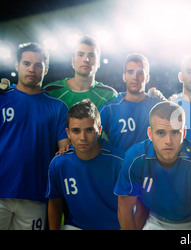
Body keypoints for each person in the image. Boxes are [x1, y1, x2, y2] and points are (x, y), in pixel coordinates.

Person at [114, 101, 191, 230]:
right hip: (155, 221)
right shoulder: (135, 157)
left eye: (174, 132)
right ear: (150, 134)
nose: (168, 141)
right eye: (161, 133)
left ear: (183, 133)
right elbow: (124, 210)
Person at [0, 43, 70, 230]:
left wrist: (65, 152)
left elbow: (65, 149)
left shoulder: (57, 107)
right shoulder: (2, 99)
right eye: (26, 63)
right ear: (17, 66)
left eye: (38, 65)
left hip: (36, 193)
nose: (32, 68)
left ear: (45, 69)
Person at [46, 99, 124, 230]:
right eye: (76, 131)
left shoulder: (120, 162)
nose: (82, 137)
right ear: (68, 133)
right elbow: (55, 201)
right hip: (76, 227)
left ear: (99, 130)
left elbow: (136, 204)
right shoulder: (59, 163)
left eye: (89, 130)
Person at [99, 53, 165, 152]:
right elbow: (88, 136)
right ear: (124, 77)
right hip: (121, 167)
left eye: (140, 72)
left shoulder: (157, 107)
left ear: (147, 78)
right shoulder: (109, 110)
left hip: (152, 166)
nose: (135, 77)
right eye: (130, 72)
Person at [43, 35, 117, 108]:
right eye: (80, 55)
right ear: (72, 61)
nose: (86, 59)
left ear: (98, 63)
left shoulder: (109, 96)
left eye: (91, 55)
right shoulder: (50, 92)